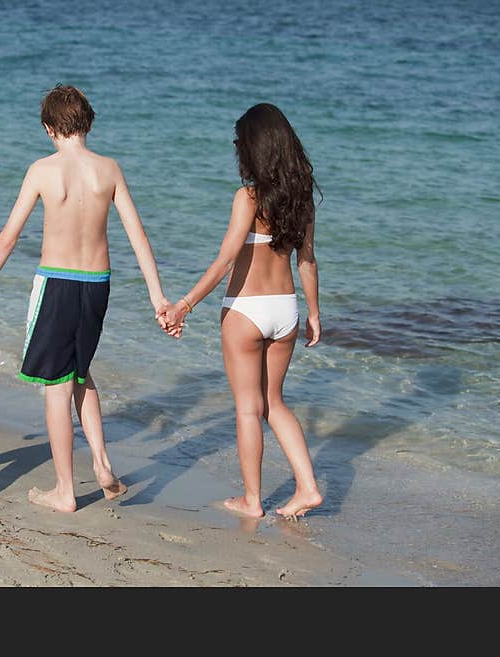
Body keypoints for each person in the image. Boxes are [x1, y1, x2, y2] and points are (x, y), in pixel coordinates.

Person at [0, 84, 171, 512]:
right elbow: (138, 235)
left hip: (57, 282)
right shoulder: (110, 169)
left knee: (55, 387)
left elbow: (10, 236)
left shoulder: (42, 170)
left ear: (49, 128)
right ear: (88, 122)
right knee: (81, 373)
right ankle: (101, 462)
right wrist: (158, 296)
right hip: (98, 283)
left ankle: (65, 490)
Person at [161, 103, 323, 519]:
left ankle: (252, 500)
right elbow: (307, 260)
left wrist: (184, 305)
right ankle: (307, 487)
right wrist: (314, 313)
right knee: (275, 403)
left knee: (248, 408)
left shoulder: (249, 197)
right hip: (285, 309)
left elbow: (225, 261)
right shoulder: (302, 200)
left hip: (246, 310)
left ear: (253, 149)